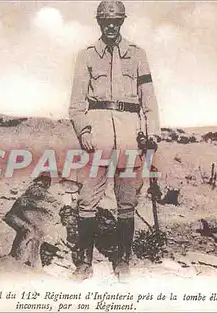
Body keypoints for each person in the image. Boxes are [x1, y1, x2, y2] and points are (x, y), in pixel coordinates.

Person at [68, 0, 161, 281]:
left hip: (131, 138)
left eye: (116, 21)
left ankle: (123, 263)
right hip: (97, 139)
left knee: (127, 202)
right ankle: (83, 265)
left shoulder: (137, 55)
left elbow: (149, 101)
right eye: (106, 21)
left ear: (122, 22)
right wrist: (84, 132)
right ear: (99, 22)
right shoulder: (86, 57)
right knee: (87, 200)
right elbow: (75, 105)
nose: (111, 25)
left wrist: (152, 132)